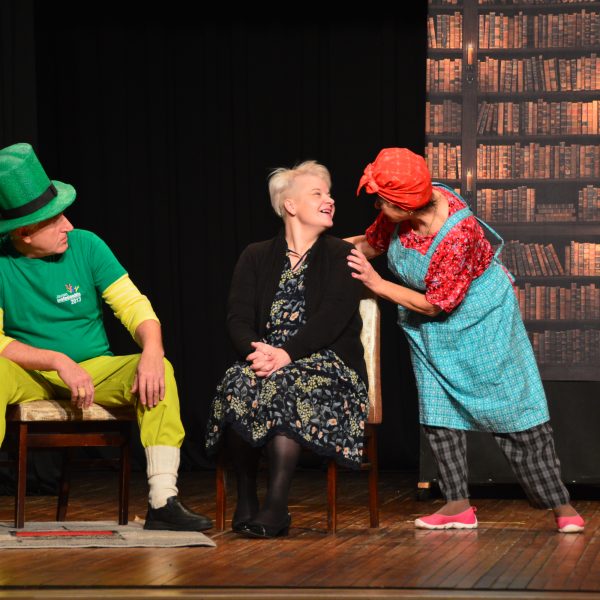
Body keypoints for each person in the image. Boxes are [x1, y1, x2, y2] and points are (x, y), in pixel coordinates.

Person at [345, 147, 584, 533]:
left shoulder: (458, 232)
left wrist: (376, 283)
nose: (377, 206)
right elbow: (371, 244)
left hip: (481, 320)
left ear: (405, 205)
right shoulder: (396, 217)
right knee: (438, 413)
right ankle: (456, 504)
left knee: (514, 411)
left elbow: (435, 304)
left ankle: (561, 505)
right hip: (430, 330)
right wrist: (318, 252)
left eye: (382, 201)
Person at [0, 142, 212, 532]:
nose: (68, 225)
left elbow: (132, 305)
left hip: (95, 371)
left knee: (159, 370)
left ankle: (163, 500)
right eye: (55, 220)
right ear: (25, 233)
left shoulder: (86, 245)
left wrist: (152, 349)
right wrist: (57, 361)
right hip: (29, 375)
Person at [205, 160, 369, 538]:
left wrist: (286, 354)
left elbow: (332, 318)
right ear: (290, 205)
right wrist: (258, 353)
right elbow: (238, 317)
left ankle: (277, 506)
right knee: (237, 382)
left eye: (330, 194)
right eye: (318, 193)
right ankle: (247, 497)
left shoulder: (343, 254)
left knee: (286, 384)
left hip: (327, 363)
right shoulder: (256, 255)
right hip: (267, 359)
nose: (329, 200)